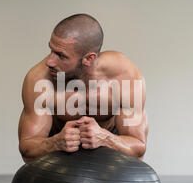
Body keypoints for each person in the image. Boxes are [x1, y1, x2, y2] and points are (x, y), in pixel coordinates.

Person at [18, 13, 148, 162]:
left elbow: (138, 149)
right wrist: (54, 142)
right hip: (58, 153)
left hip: (110, 152)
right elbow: (27, 150)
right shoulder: (39, 80)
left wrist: (105, 138)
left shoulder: (124, 76)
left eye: (60, 55)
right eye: (51, 50)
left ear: (88, 58)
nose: (50, 61)